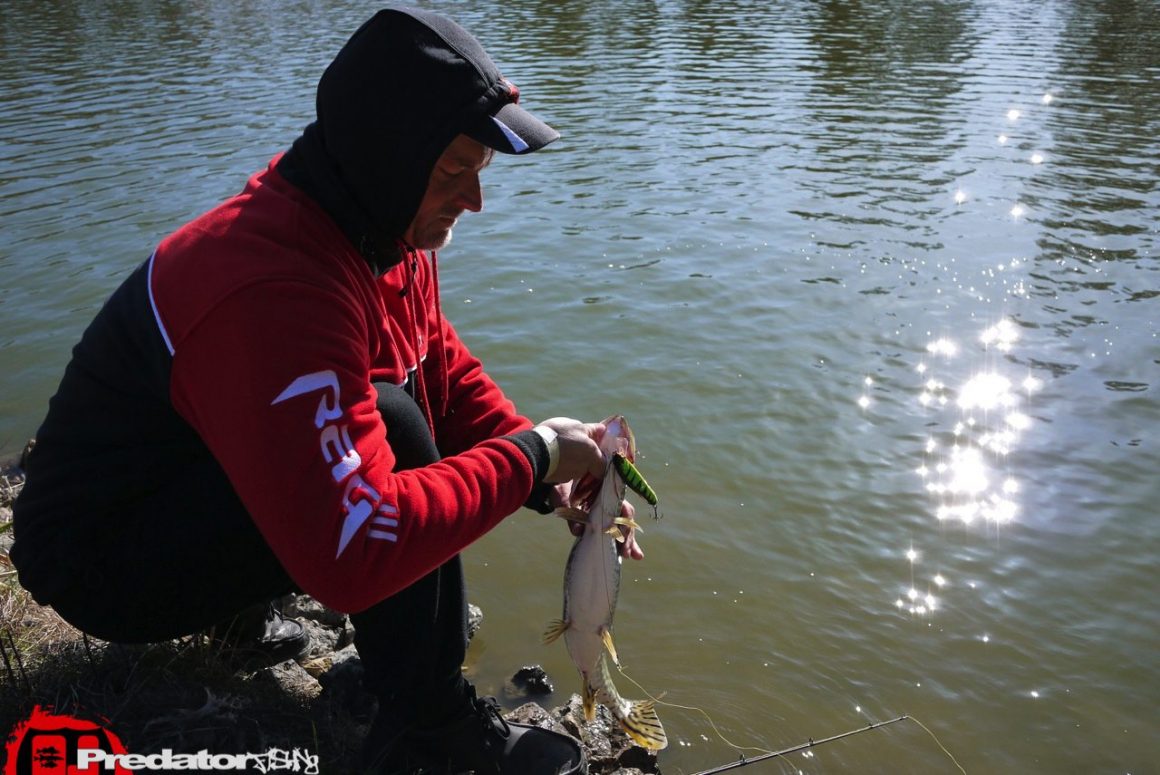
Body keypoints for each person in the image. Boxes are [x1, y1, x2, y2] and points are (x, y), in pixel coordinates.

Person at [11, 7, 642, 774]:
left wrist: (554, 482)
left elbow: (434, 362)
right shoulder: (273, 283)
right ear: (389, 156)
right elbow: (357, 550)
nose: (475, 199)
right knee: (394, 429)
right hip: (101, 561)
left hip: (182, 482)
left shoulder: (379, 222)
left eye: (482, 168)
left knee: (391, 406)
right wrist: (531, 457)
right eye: (455, 170)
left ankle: (240, 620)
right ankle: (429, 727)